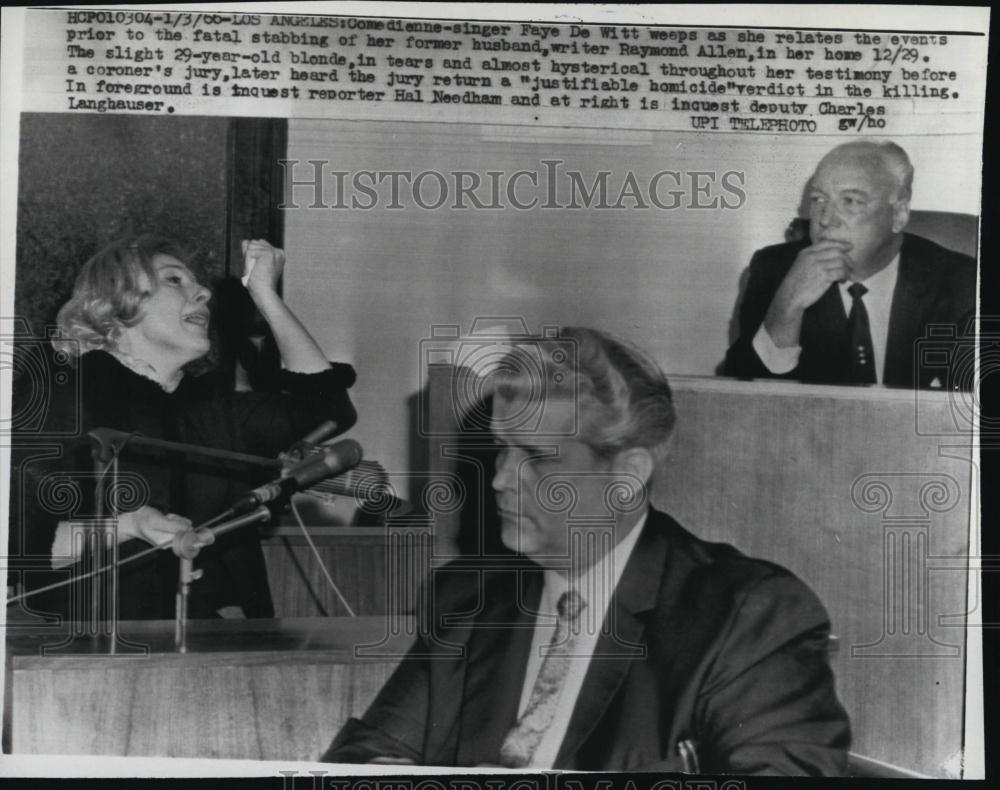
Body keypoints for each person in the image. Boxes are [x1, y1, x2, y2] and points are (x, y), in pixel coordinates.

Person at [323, 327, 850, 774]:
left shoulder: (746, 614)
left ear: (627, 476)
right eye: (501, 450)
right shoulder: (469, 597)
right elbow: (370, 755)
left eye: (536, 458)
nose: (502, 479)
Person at [8, 235, 356, 620]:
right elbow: (16, 546)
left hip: (222, 647)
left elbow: (328, 408)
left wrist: (266, 296)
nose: (204, 292)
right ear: (116, 302)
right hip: (102, 650)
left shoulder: (209, 406)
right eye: (175, 280)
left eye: (198, 283)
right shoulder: (64, 397)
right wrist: (129, 525)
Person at [723, 140, 975, 388]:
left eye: (851, 201)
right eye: (819, 200)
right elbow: (745, 400)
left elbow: (975, 407)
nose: (826, 220)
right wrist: (788, 307)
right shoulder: (775, 271)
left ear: (898, 215)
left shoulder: (961, 283)